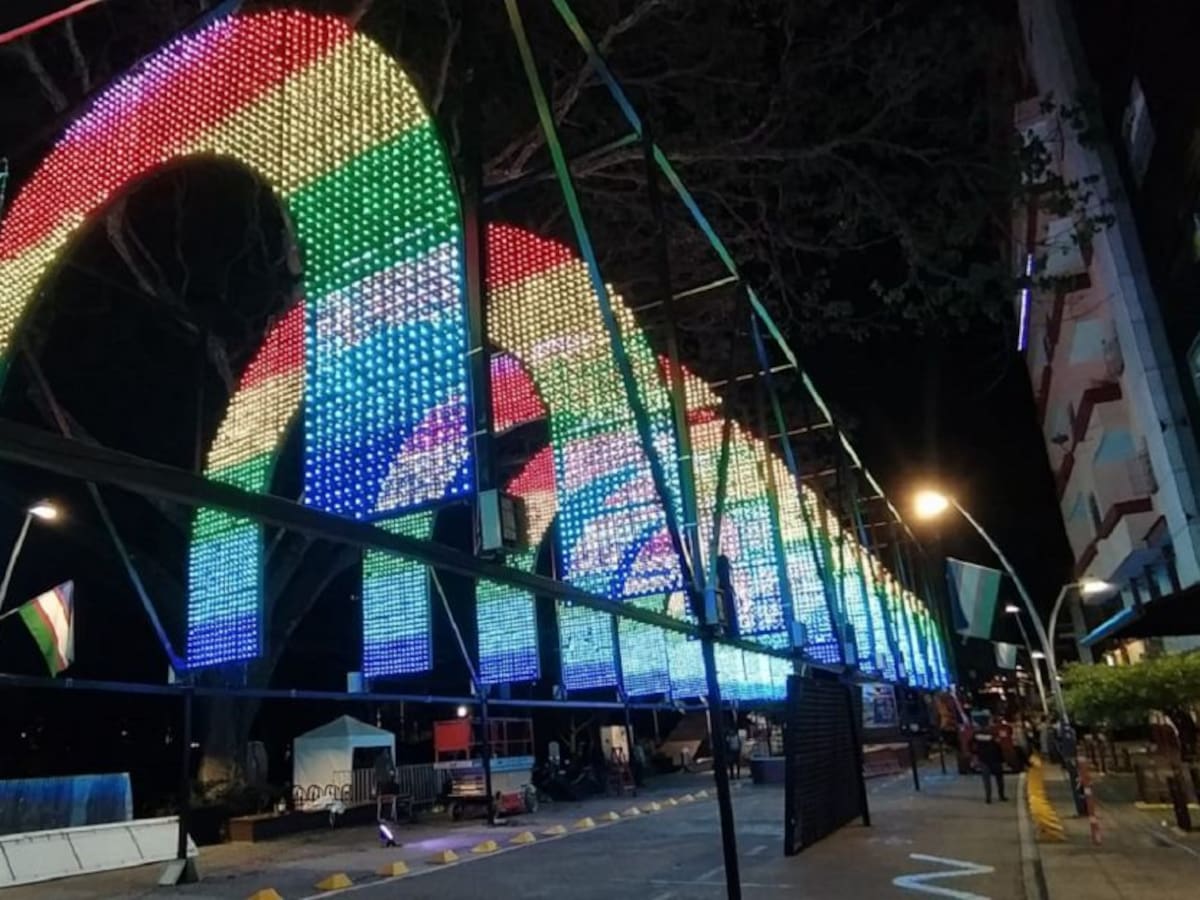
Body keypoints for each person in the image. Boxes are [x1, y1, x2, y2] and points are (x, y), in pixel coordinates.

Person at [970, 721, 1007, 803]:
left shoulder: (977, 735)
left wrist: (975, 753)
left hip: (983, 759)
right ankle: (1001, 796)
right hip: (995, 759)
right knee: (999, 778)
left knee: (986, 780)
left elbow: (970, 744)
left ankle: (988, 797)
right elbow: (999, 747)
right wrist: (1003, 760)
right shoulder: (994, 734)